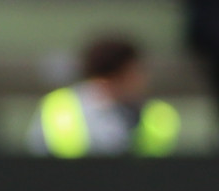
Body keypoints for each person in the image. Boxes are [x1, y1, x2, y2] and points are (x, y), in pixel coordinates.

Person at [37, 33, 184, 154]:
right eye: (135, 72)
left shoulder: (155, 114)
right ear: (113, 76)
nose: (143, 79)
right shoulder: (60, 108)